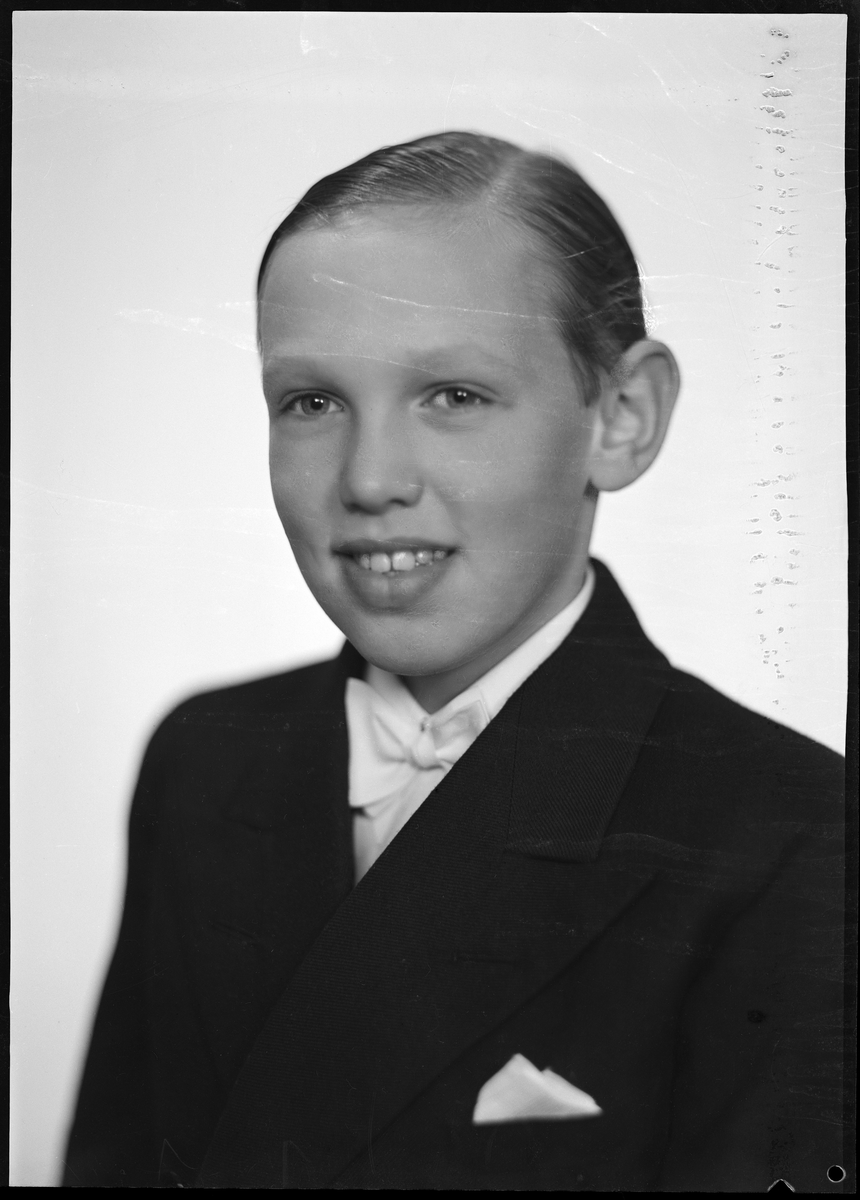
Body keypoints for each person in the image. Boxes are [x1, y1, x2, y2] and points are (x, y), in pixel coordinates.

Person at [62, 132, 845, 1191]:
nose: (369, 479)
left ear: (621, 418)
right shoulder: (206, 760)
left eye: (454, 395)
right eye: (311, 402)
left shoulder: (792, 833)